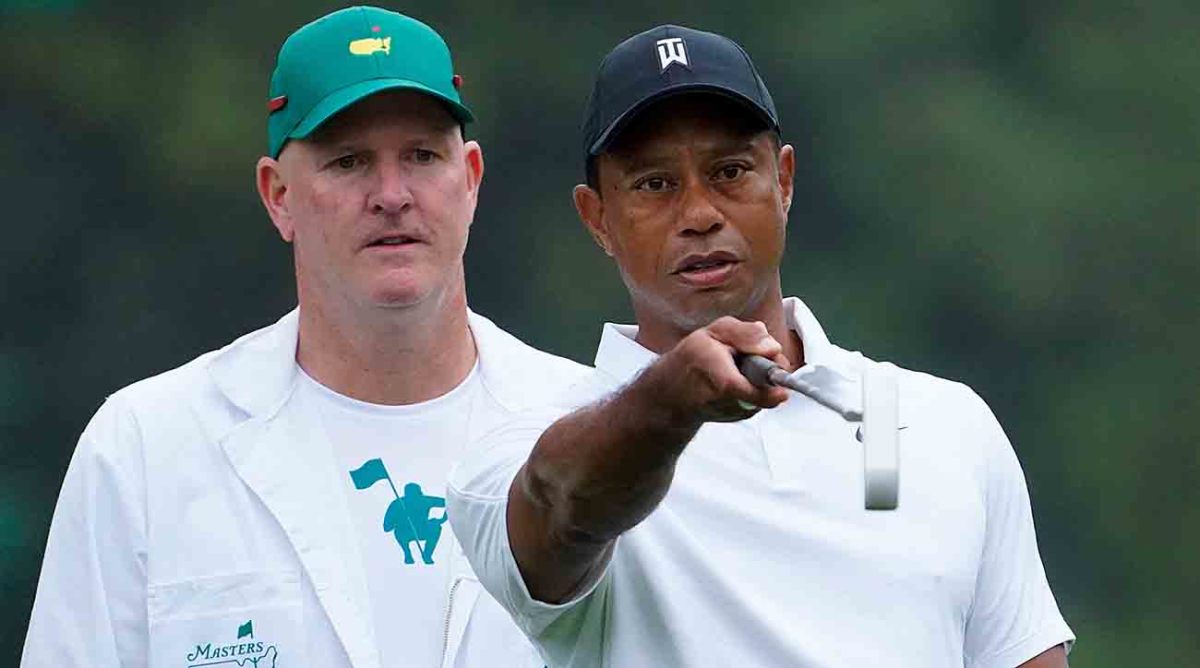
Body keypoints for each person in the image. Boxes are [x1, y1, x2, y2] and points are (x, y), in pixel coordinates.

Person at [447, 24, 1075, 668]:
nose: (699, 213)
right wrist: (670, 402)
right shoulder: (519, 443)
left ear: (785, 181)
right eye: (655, 184)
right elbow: (563, 504)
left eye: (729, 171)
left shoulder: (936, 419)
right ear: (597, 218)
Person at [22, 7, 585, 667]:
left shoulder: (588, 424)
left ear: (471, 179)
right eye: (348, 161)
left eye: (422, 155)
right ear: (277, 194)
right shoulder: (146, 447)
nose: (392, 194)